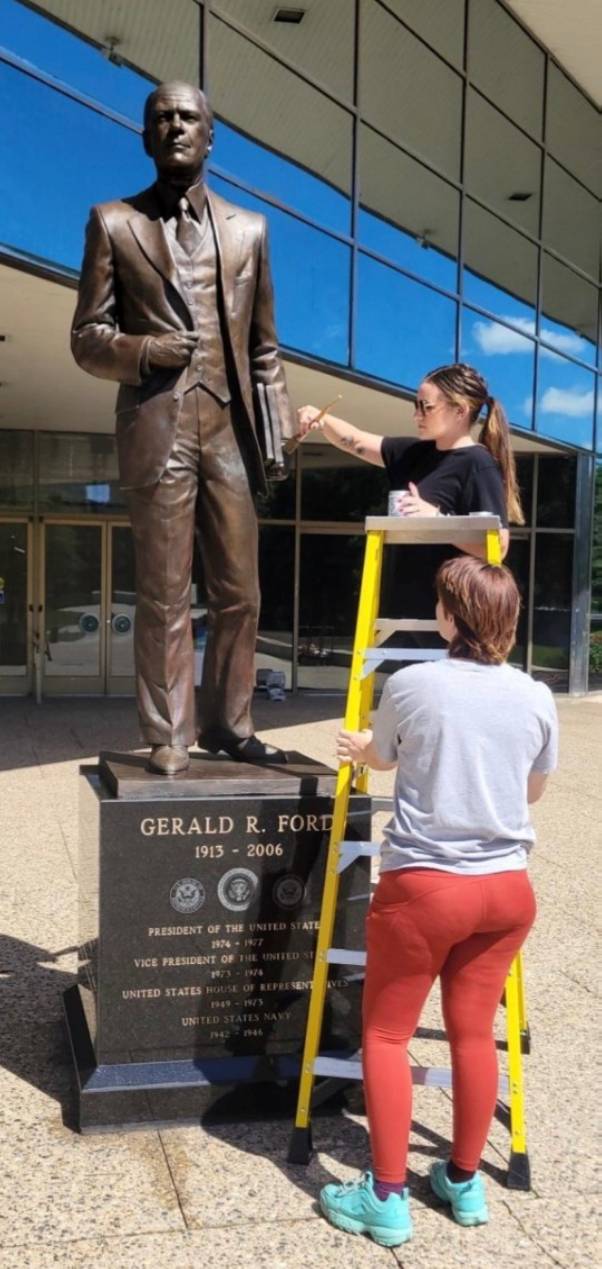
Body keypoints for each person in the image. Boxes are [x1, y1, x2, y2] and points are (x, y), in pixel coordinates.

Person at [319, 555, 558, 1248]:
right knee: (474, 1033)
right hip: (507, 890)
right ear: (510, 622)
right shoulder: (537, 695)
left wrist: (361, 747)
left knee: (387, 1035)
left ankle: (386, 1195)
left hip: (426, 887)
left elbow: (386, 755)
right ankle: (461, 1178)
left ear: (448, 618)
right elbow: (531, 790)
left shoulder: (413, 681)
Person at [71, 82, 296, 775]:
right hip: (159, 424)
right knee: (167, 593)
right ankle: (169, 733)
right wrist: (144, 353)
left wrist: (277, 421)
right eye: (161, 118)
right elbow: (86, 337)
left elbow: (263, 347)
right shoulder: (114, 222)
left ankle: (230, 723)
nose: (175, 126)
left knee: (241, 591)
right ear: (145, 135)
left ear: (210, 135)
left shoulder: (250, 230)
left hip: (229, 427)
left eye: (188, 117)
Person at [298, 363, 524, 627]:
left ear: (460, 410)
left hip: (452, 619)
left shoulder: (478, 464)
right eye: (416, 406)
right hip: (405, 612)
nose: (417, 415)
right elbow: (356, 441)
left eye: (426, 407)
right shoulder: (414, 453)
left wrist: (438, 520)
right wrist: (320, 418)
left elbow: (498, 548)